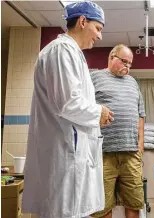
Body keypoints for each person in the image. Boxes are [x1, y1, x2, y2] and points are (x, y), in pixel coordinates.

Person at [22, 2, 114, 218]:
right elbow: (68, 103)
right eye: (98, 28)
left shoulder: (71, 53)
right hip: (64, 158)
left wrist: (97, 113)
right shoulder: (61, 50)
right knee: (64, 210)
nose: (100, 36)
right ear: (83, 21)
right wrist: (98, 112)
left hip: (69, 161)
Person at [90, 44, 145, 218]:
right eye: (124, 62)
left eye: (130, 64)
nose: (127, 67)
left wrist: (140, 145)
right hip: (103, 153)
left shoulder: (132, 82)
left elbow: (140, 114)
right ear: (112, 57)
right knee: (103, 205)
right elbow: (83, 108)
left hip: (131, 153)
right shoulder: (95, 77)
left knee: (134, 202)